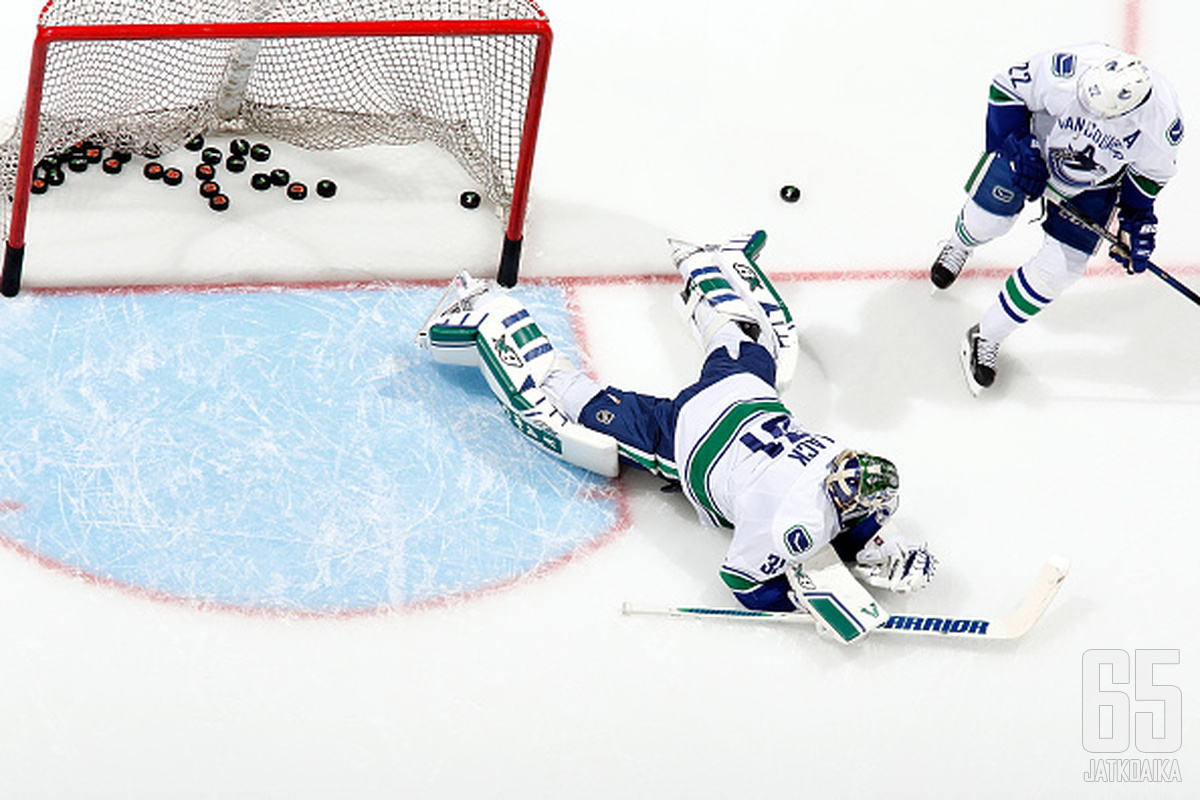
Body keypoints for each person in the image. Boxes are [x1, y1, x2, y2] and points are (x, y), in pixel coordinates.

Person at [418, 231, 936, 619]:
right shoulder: (797, 523)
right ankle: (487, 314)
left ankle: (705, 262)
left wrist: (869, 547)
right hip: (685, 436)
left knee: (743, 340)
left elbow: (836, 516)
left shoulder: (841, 459)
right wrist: (799, 602)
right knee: (578, 404)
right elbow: (745, 581)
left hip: (746, 397)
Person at [930, 42, 1184, 393]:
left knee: (1059, 270)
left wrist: (1135, 220)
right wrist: (1018, 142)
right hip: (1033, 149)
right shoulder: (1070, 68)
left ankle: (987, 336)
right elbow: (1005, 89)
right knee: (987, 221)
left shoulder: (1162, 121)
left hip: (1092, 183)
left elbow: (1149, 176)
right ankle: (960, 244)